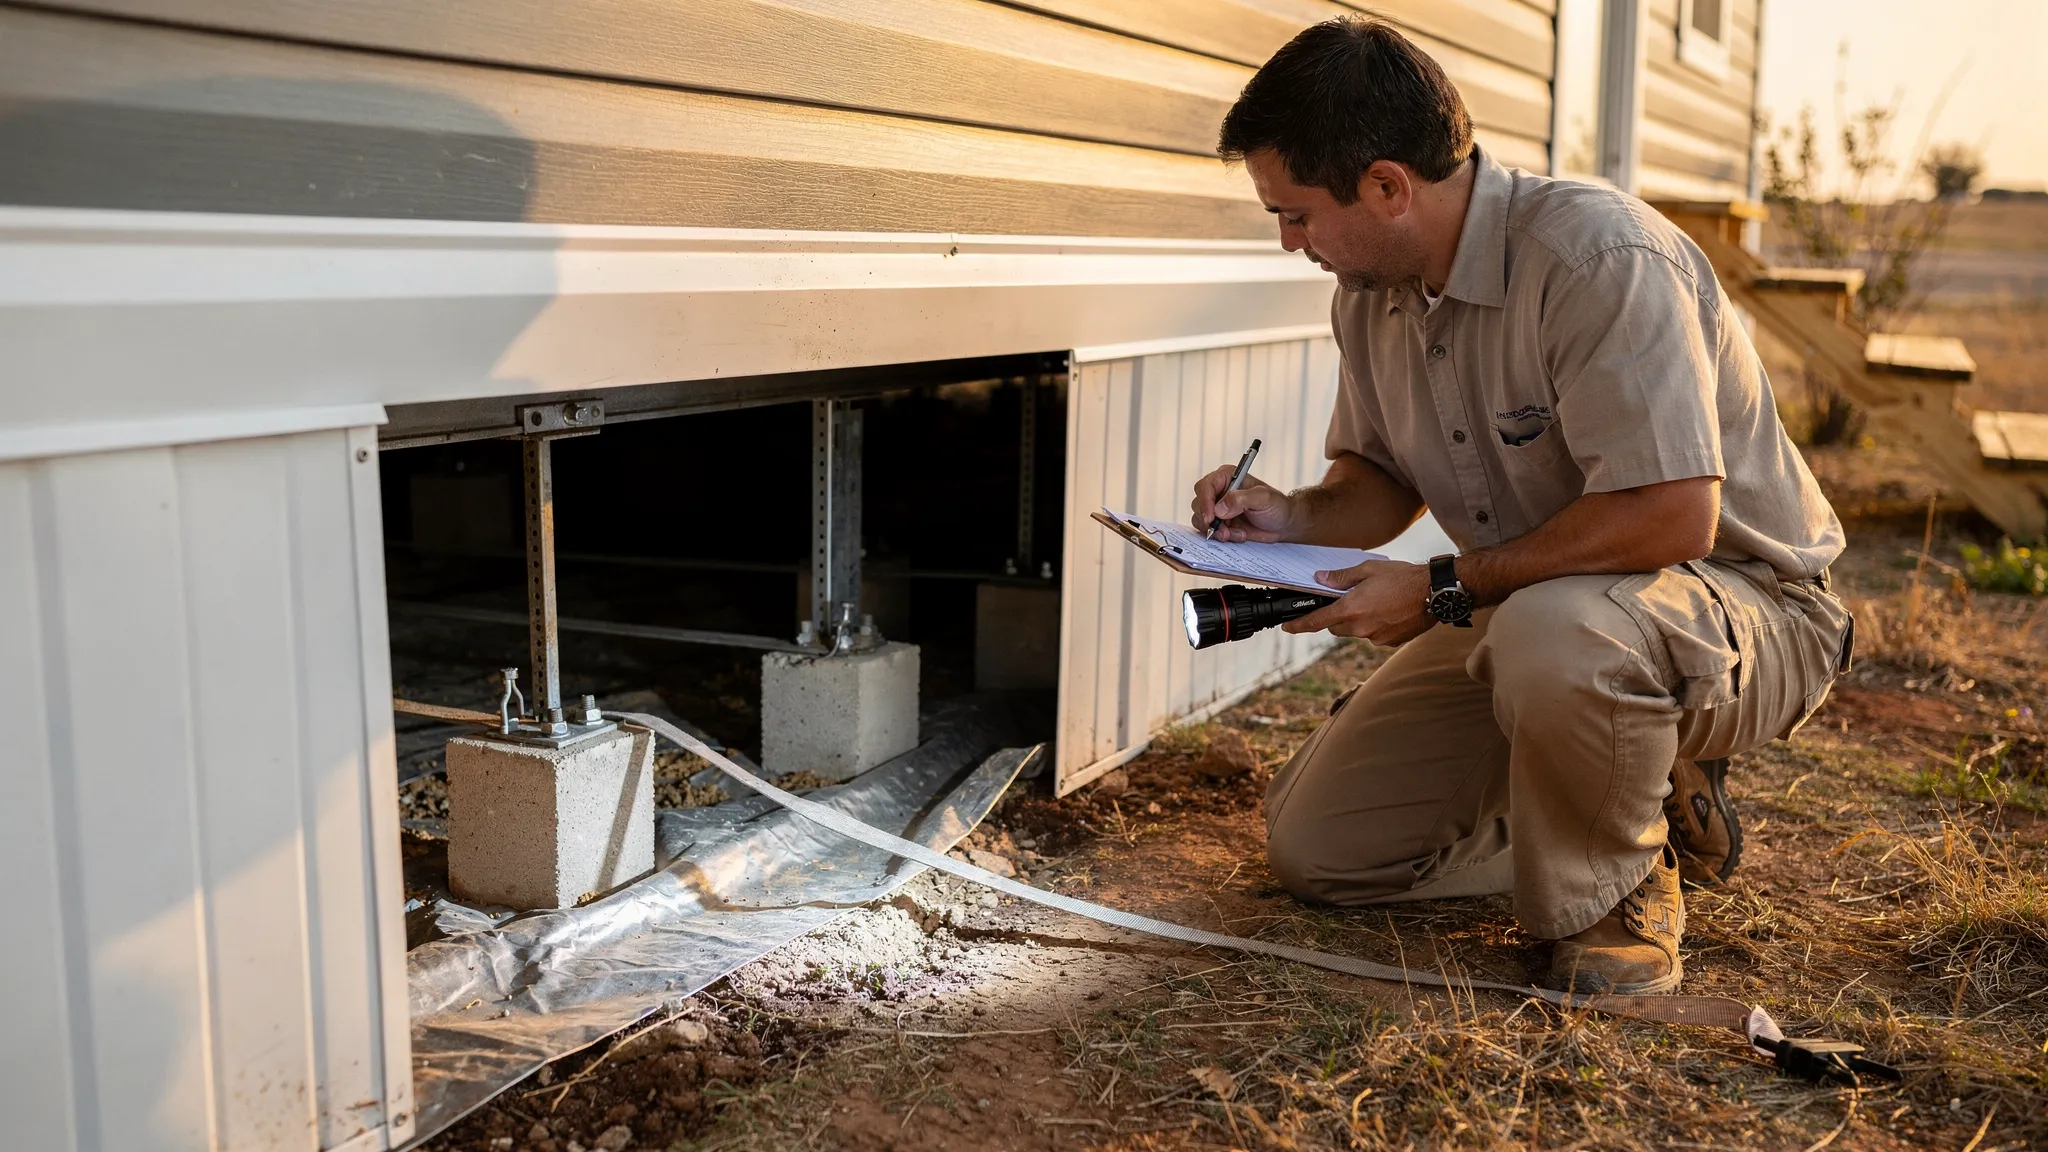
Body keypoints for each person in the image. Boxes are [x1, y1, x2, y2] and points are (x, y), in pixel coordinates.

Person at [1190, 17, 1850, 994]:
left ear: (1384, 186)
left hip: (1744, 608)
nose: (1291, 243)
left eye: (1293, 214)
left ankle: (1615, 894)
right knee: (1320, 852)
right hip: (1540, 614)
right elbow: (1374, 484)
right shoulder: (1369, 295)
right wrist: (1281, 514)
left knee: (1556, 633)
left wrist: (1442, 589)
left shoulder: (1599, 259)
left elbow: (1670, 521)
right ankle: (1621, 793)